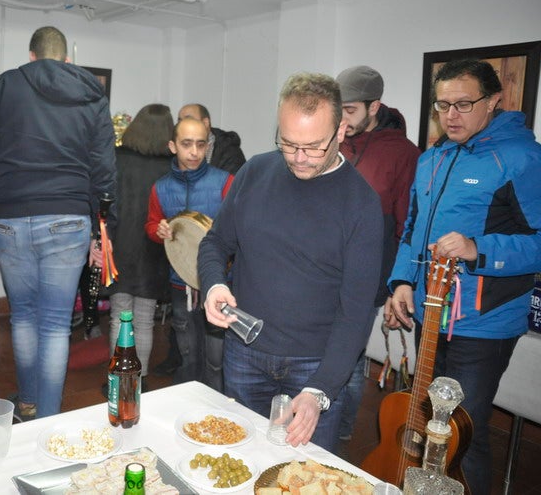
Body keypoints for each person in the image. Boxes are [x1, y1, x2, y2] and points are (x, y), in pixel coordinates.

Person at [198, 72, 383, 452]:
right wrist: (215, 282)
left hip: (314, 367)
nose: (299, 158)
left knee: (304, 473)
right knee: (241, 459)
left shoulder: (361, 203)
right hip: (245, 353)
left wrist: (321, 390)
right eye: (288, 143)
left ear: (341, 131)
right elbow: (215, 242)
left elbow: (357, 311)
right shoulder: (255, 172)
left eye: (313, 146)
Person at [385, 58, 541, 495]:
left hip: (483, 324)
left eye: (464, 104)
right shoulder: (431, 158)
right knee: (425, 426)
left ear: (493, 101)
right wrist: (400, 283)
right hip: (430, 313)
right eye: (443, 105)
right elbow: (412, 229)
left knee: (461, 435)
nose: (451, 116)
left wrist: (479, 249)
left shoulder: (523, 159)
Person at [0, 26, 116, 419]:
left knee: (22, 316)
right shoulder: (91, 93)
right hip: (67, 217)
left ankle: (29, 401)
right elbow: (103, 166)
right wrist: (100, 222)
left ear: (31, 56)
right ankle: (48, 418)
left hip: (11, 217)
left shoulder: (5, 85)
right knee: (54, 325)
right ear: (66, 59)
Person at [334, 65, 420, 443]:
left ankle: (340, 437)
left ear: (375, 106)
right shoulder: (334, 141)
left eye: (350, 109)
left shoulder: (403, 154)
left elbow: (406, 226)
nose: (342, 118)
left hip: (367, 279)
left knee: (349, 362)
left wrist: (395, 286)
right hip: (321, 272)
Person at [157, 103, 247, 383]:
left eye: (200, 144)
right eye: (186, 144)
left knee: (217, 353)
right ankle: (188, 401)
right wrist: (158, 230)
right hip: (179, 281)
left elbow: (240, 226)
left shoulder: (226, 181)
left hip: (218, 283)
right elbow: (151, 223)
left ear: (208, 145)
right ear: (173, 146)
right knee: (187, 349)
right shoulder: (160, 187)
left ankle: (216, 406)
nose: (194, 152)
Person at [106, 104, 174, 384]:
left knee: (118, 319)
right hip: (153, 251)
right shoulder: (171, 167)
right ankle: (139, 380)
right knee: (144, 320)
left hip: (119, 249)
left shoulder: (115, 159)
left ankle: (118, 379)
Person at [177, 103, 246, 173]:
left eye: (188, 120)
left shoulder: (231, 152)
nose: (182, 125)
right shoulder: (176, 147)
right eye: (179, 121)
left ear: (205, 123)